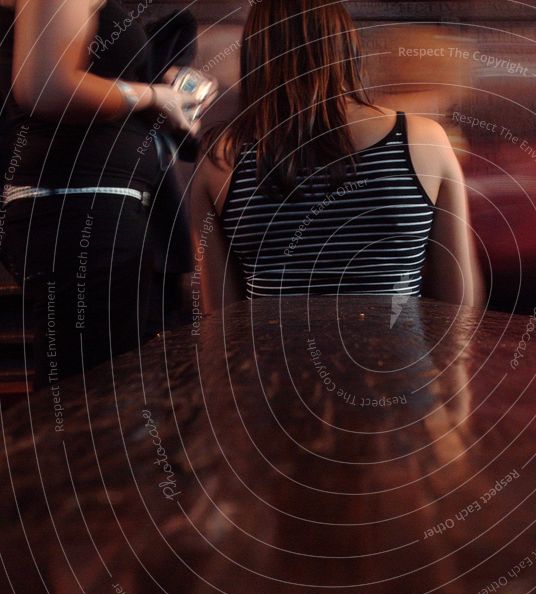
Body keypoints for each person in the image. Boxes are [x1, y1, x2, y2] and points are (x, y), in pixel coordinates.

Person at [191, 0, 482, 311]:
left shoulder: (221, 160)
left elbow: (219, 319)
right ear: (347, 46)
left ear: (255, 55)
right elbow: (461, 303)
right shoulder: (423, 141)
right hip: (397, 357)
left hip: (269, 358)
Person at [0, 0, 202, 388]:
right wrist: (158, 97)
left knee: (106, 389)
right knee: (95, 394)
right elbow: (46, 87)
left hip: (90, 204)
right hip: (81, 206)